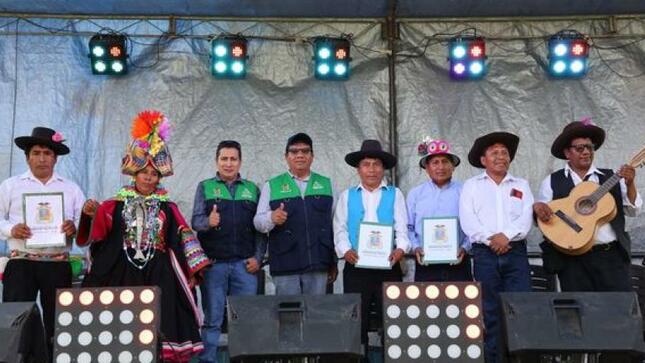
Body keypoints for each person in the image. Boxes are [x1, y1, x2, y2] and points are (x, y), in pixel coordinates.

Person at [77, 110, 210, 362]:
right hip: (121, 269)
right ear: (133, 174)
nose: (149, 177)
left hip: (159, 271)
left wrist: (192, 271)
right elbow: (97, 236)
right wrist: (90, 215)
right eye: (144, 172)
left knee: (160, 321)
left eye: (154, 173)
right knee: (123, 322)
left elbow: (183, 235)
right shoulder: (114, 205)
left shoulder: (167, 207)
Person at [0, 127, 85, 359]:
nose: (41, 158)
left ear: (55, 158)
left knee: (60, 320)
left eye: (47, 153)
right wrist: (11, 229)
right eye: (36, 152)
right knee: (15, 320)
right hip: (21, 263)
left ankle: (58, 358)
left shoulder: (71, 189)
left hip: (57, 264)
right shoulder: (10, 186)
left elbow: (84, 222)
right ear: (27, 157)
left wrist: (74, 227)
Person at [534, 118, 641, 291]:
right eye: (579, 148)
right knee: (580, 312)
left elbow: (633, 210)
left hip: (610, 258)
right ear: (567, 153)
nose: (586, 152)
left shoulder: (611, 177)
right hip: (571, 260)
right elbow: (544, 217)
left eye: (590, 147)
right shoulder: (552, 181)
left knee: (618, 311)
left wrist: (630, 184)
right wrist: (539, 209)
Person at [459, 132, 533, 363]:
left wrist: (506, 236)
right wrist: (492, 240)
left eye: (505, 153)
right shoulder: (471, 186)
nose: (501, 156)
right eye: (494, 153)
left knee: (520, 309)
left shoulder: (521, 184)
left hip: (516, 252)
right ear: (483, 160)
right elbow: (468, 220)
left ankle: (520, 358)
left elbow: (526, 217)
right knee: (490, 312)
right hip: (484, 255)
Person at [191, 140, 266, 363]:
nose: (228, 163)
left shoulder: (252, 189)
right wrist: (208, 221)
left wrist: (258, 258)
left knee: (245, 319)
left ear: (240, 162)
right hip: (214, 265)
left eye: (233, 159)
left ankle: (243, 359)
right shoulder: (204, 187)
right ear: (217, 161)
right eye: (224, 158)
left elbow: (261, 230)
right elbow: (195, 221)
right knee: (213, 319)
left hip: (245, 266)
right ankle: (209, 360)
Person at [333, 139, 409, 356]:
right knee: (357, 321)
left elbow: (402, 228)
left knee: (393, 320)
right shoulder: (347, 196)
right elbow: (339, 229)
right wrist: (346, 251)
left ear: (383, 168)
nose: (372, 169)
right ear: (358, 169)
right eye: (366, 164)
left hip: (389, 265)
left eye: (376, 164)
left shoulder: (395, 194)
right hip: (356, 267)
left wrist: (400, 249)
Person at [254, 133, 336, 295]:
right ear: (286, 157)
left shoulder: (327, 184)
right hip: (285, 264)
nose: (300, 155)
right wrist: (271, 218)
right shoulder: (272, 186)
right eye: (294, 151)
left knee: (316, 315)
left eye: (305, 151)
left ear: (312, 156)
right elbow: (258, 221)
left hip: (318, 264)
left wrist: (332, 261)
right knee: (288, 316)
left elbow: (336, 224)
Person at [407, 137, 472, 281]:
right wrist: (416, 247)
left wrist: (465, 247)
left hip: (458, 260)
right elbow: (409, 227)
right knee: (426, 303)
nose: (440, 167)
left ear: (453, 166)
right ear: (427, 168)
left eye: (445, 162)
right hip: (425, 261)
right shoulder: (415, 194)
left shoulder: (465, 191)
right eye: (435, 162)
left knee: (461, 302)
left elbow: (473, 225)